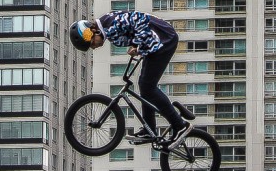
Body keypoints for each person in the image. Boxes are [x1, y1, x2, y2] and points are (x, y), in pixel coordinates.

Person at [69, 11, 190, 146]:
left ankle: (179, 125)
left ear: (92, 31)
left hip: (164, 39)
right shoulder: (108, 26)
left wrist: (138, 46)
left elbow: (140, 22)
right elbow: (133, 28)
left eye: (91, 43)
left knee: (147, 87)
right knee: (145, 86)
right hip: (157, 42)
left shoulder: (112, 25)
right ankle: (149, 129)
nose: (94, 46)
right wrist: (137, 46)